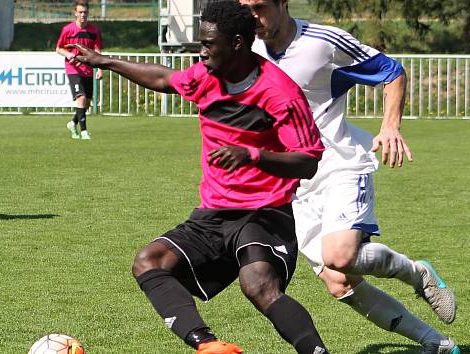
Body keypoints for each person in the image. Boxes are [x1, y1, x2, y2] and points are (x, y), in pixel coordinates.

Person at [68, 2, 330, 354]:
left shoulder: (280, 93)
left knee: (259, 285)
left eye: (208, 44)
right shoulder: (206, 77)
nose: (201, 52)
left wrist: (253, 155)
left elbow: (307, 161)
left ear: (237, 43)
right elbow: (163, 79)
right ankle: (208, 346)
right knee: (149, 261)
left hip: (264, 213)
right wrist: (106, 61)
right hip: (214, 213)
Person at [239, 0, 460, 353]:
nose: (252, 14)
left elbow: (391, 71)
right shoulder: (243, 46)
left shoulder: (321, 42)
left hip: (337, 163)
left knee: (340, 255)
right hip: (293, 184)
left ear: (282, 2)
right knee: (339, 282)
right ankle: (437, 344)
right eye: (243, 6)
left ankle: (417, 273)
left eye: (259, 6)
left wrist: (390, 126)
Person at [56, 0, 103, 140]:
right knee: (81, 98)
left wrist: (100, 68)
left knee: (87, 102)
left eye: (85, 12)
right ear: (75, 13)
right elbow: (59, 48)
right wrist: (69, 54)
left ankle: (73, 123)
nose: (83, 15)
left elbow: (97, 50)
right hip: (73, 69)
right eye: (80, 12)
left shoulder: (94, 31)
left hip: (88, 69)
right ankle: (84, 131)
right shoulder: (68, 30)